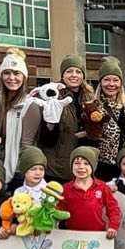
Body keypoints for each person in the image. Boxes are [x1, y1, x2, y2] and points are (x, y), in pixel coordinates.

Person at [0, 48, 41, 183]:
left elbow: (26, 146)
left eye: (17, 73)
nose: (11, 78)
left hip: (18, 172)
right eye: (7, 73)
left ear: (24, 77)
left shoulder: (30, 105)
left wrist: (21, 175)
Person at [39, 54, 96, 185]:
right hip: (57, 166)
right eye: (69, 71)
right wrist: (50, 123)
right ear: (62, 75)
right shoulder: (54, 95)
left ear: (83, 76)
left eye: (78, 72)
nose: (74, 75)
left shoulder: (89, 97)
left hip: (82, 165)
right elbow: (45, 136)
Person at [90, 57, 125, 182]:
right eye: (107, 79)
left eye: (115, 80)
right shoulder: (92, 106)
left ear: (121, 83)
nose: (111, 84)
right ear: (100, 82)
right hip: (102, 166)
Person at [61, 147, 121, 237]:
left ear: (93, 166)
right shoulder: (65, 188)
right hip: (72, 235)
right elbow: (58, 210)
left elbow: (113, 208)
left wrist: (113, 226)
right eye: (77, 163)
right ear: (71, 166)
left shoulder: (102, 187)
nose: (81, 167)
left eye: (86, 163)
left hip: (97, 235)